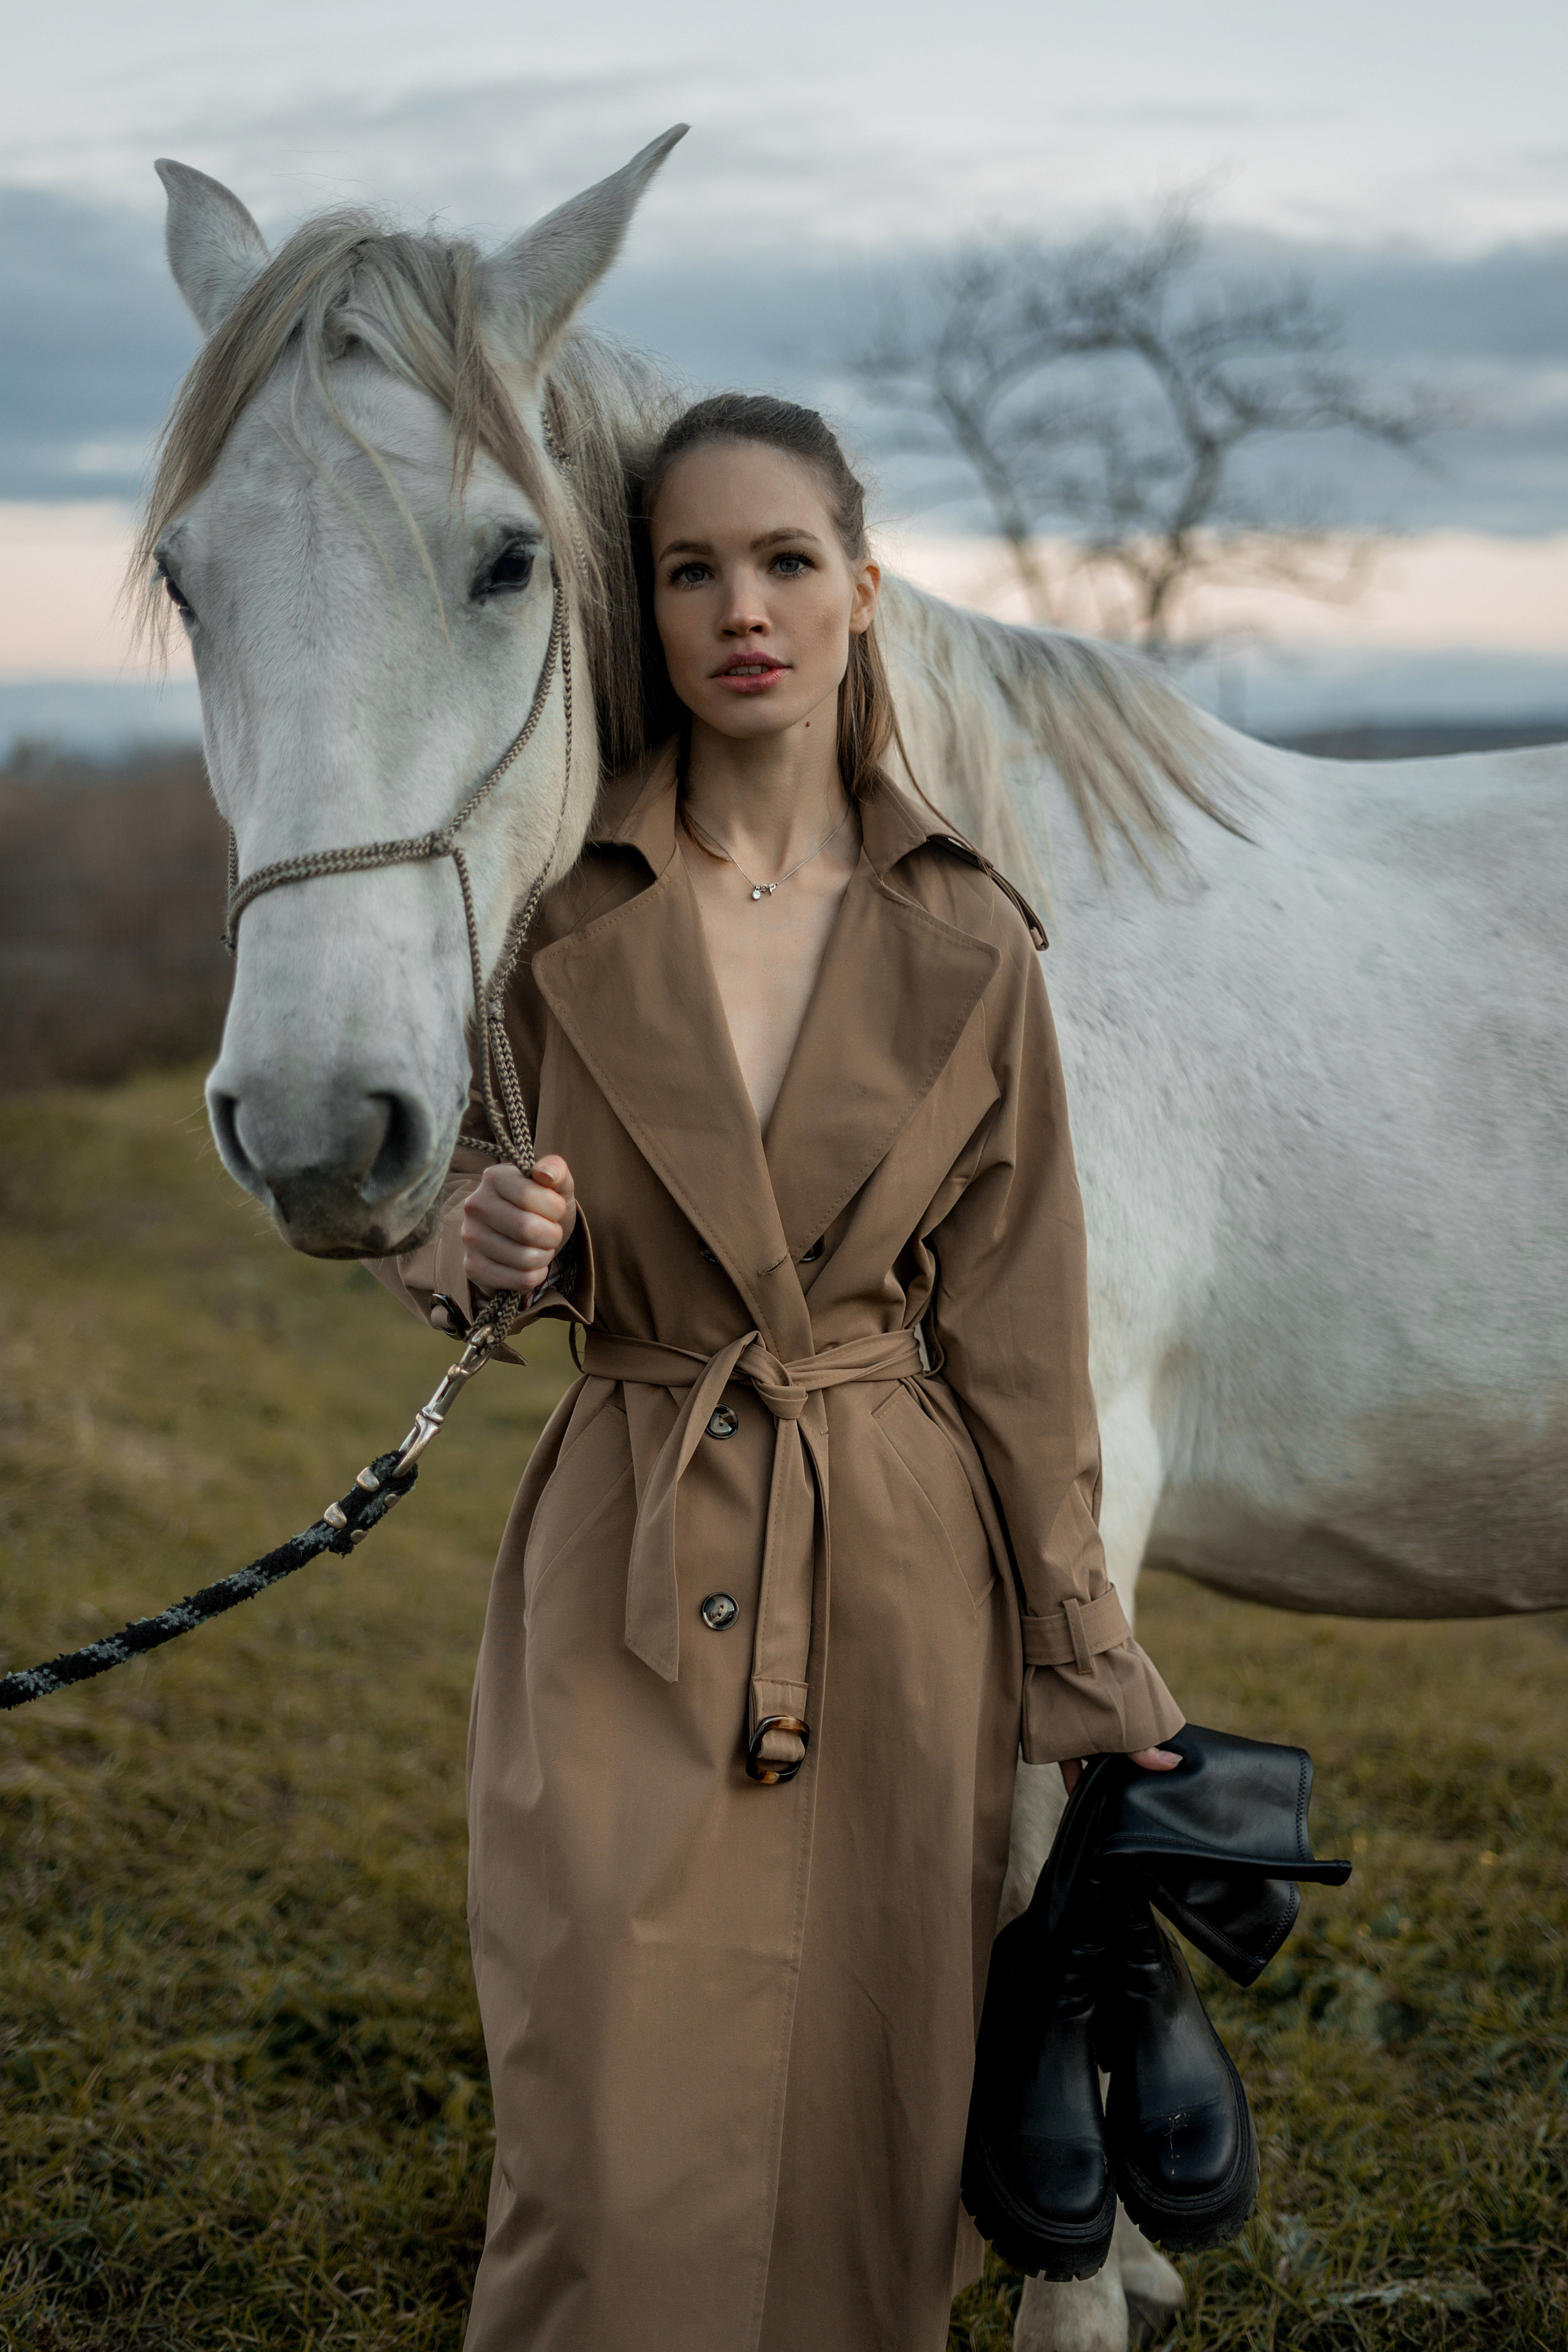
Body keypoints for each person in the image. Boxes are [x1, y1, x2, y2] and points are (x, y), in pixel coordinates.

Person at [371, 394, 1185, 2352]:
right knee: (596, 2100)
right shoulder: (551, 914)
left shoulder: (974, 936)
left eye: (786, 560)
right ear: (640, 613)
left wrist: (1085, 1661)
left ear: (862, 593)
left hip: (898, 1574)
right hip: (623, 1564)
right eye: (689, 568)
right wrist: (458, 1247)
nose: (743, 606)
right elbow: (454, 1206)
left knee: (868, 2125)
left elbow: (1019, 1333)